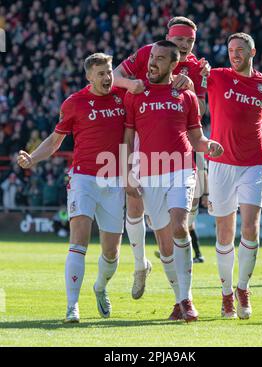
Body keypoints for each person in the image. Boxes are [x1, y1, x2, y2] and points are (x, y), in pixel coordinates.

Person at [17, 53, 126, 323]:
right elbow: (55, 141)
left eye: (109, 71)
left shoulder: (122, 98)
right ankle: (72, 307)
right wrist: (32, 158)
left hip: (115, 181)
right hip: (83, 178)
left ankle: (100, 287)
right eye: (100, 73)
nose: (107, 77)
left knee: (111, 252)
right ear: (89, 76)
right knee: (78, 241)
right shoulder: (74, 103)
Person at [123, 40, 223, 321]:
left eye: (159, 59)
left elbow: (196, 137)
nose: (152, 63)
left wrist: (209, 145)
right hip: (149, 173)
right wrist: (126, 172)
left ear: (173, 64)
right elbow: (128, 138)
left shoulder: (186, 96)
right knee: (165, 246)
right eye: (151, 57)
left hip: (181, 168)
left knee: (180, 226)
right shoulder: (136, 95)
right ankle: (179, 300)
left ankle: (187, 302)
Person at [114, 16, 209, 299]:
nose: (186, 45)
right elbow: (116, 76)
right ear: (169, 37)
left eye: (190, 41)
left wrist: (191, 85)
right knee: (134, 203)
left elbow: (199, 111)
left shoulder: (195, 66)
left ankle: (183, 294)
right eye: (180, 39)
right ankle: (140, 264)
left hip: (177, 142)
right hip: (141, 126)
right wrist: (132, 85)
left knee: (178, 221)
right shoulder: (149, 52)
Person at [205, 33, 262, 319]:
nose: (234, 54)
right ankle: (226, 294)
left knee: (250, 228)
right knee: (224, 233)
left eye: (240, 50)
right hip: (220, 163)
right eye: (230, 50)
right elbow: (187, 75)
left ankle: (242, 289)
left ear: (252, 52)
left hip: (253, 162)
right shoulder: (216, 76)